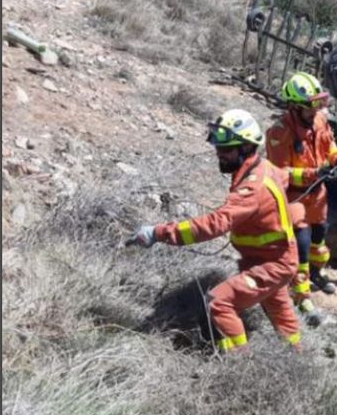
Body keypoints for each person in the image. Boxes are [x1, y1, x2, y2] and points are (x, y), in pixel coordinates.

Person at [130, 109, 303, 352]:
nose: (219, 154)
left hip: (272, 264)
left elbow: (215, 224)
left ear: (246, 147)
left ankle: (237, 362)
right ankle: (296, 354)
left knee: (218, 302)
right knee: (279, 310)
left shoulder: (252, 189)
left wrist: (158, 233)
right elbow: (285, 176)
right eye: (218, 148)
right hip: (272, 258)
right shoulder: (263, 167)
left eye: (226, 149)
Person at [265, 72, 337, 319]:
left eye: (318, 104)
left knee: (319, 237)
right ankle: (302, 297)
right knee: (302, 244)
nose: (315, 110)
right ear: (294, 107)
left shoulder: (319, 120)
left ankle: (316, 273)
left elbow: (329, 146)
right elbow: (280, 173)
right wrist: (313, 172)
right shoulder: (279, 132)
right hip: (293, 197)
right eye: (310, 106)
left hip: (317, 194)